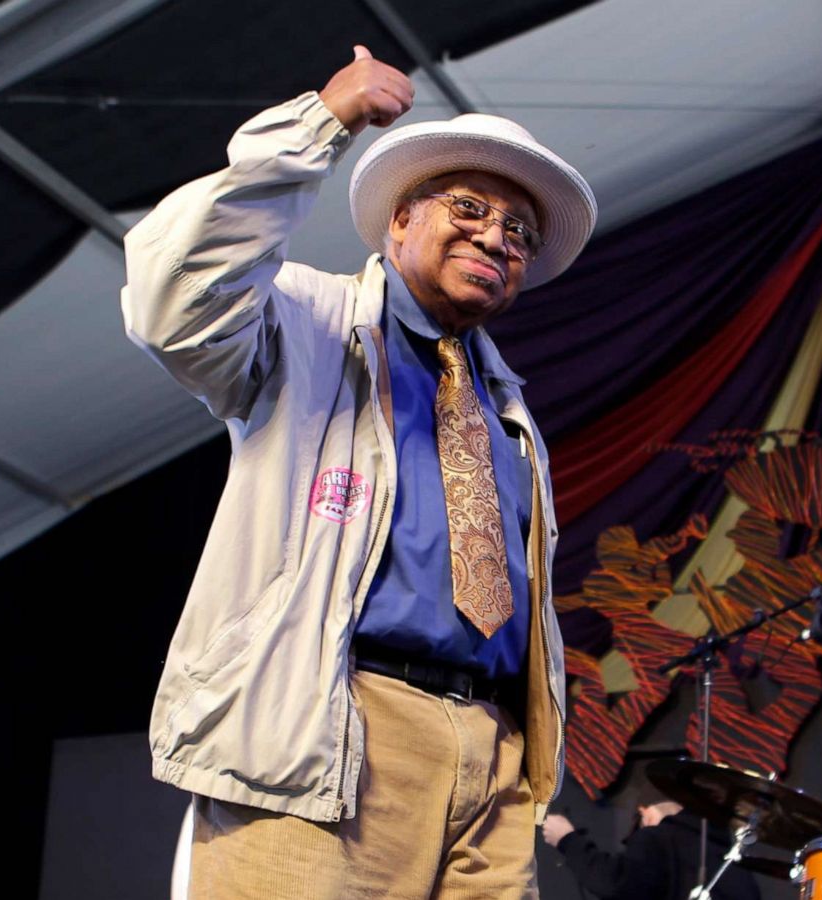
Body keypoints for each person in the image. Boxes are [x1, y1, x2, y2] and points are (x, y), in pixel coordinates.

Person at [122, 44, 597, 899]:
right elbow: (174, 296)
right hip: (333, 730)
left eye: (520, 233)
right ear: (400, 221)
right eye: (468, 205)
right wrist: (319, 124)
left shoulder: (507, 408)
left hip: (492, 760)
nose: (496, 235)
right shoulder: (308, 322)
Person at [541, 791, 761, 900]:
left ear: (645, 813)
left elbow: (616, 882)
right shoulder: (730, 858)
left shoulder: (657, 838)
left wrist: (567, 839)